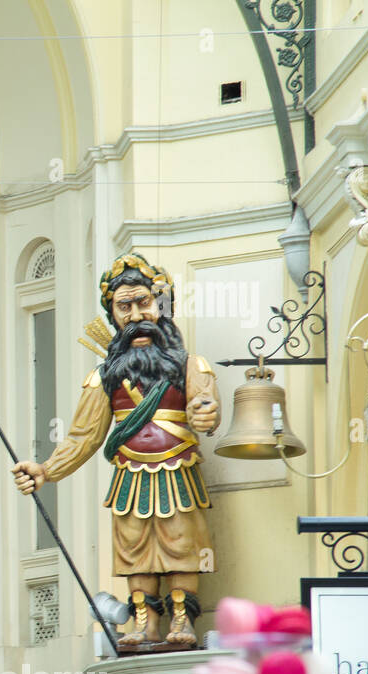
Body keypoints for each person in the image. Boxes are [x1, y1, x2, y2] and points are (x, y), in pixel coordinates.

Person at [11, 252, 220, 649]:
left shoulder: (191, 365)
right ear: (113, 315)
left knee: (181, 543)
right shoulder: (103, 377)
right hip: (129, 475)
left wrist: (206, 413)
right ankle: (144, 623)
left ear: (162, 305)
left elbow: (205, 406)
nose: (136, 314)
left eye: (145, 302)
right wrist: (46, 470)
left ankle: (182, 619)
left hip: (178, 468)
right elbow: (82, 437)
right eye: (124, 306)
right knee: (134, 549)